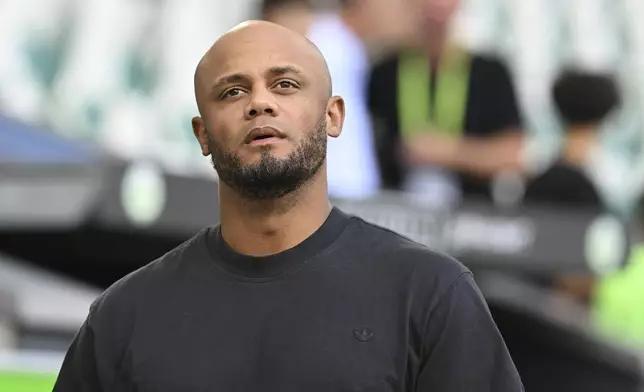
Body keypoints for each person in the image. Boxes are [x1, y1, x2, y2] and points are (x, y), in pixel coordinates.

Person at [53, 21, 523, 391]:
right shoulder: (124, 317)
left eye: (284, 84)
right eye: (232, 91)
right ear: (202, 134)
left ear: (333, 116)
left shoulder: (429, 294)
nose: (259, 103)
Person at [368, 0, 523, 203]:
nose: (435, 8)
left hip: (472, 216)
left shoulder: (490, 72)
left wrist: (449, 152)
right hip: (393, 213)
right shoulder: (383, 72)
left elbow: (513, 155)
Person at [261, 0, 415, 199]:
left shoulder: (349, 45)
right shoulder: (320, 37)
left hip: (352, 185)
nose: (401, 12)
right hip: (330, 184)